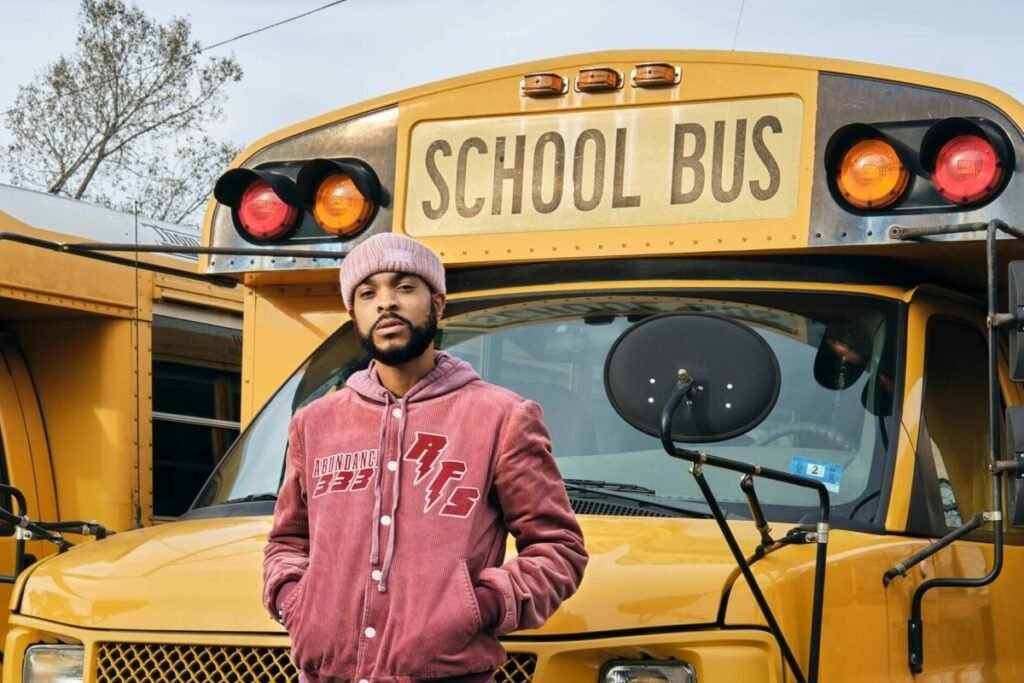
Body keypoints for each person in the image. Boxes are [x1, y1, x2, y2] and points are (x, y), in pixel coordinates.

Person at [263, 233, 589, 683]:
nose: (385, 303)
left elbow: (559, 550)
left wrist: (482, 605)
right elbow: (287, 541)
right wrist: (293, 601)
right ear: (352, 313)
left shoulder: (502, 417)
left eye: (404, 287)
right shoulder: (313, 422)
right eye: (368, 292)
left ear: (437, 303)